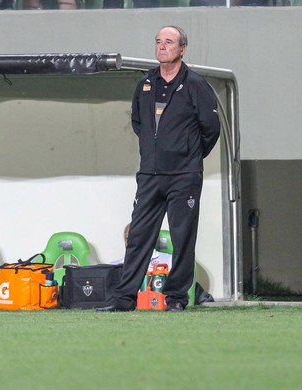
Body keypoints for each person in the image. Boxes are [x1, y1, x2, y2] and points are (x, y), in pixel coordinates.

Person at [98, 25, 220, 312]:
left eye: (168, 42)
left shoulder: (196, 85)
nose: (162, 46)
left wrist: (188, 156)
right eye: (158, 42)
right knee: (139, 237)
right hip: (150, 176)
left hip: (183, 176)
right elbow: (139, 124)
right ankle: (124, 300)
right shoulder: (145, 84)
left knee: (182, 238)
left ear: (182, 49)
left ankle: (176, 299)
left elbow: (210, 129)